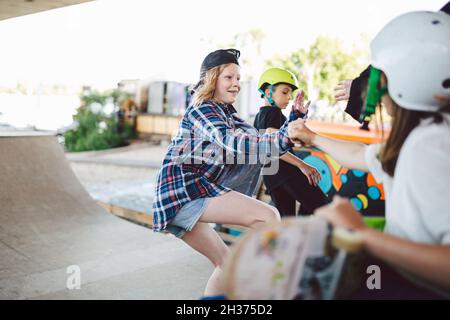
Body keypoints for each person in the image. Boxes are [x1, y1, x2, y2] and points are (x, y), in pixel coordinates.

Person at [290, 11, 450, 298]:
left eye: (378, 75)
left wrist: (363, 234)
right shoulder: (425, 134)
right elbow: (359, 155)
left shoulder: (429, 145)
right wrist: (312, 136)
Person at [152, 49, 306, 296]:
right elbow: (233, 142)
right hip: (184, 192)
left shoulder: (226, 114)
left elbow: (259, 140)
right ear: (212, 79)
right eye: (229, 78)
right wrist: (287, 135)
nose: (236, 85)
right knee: (269, 216)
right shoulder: (203, 110)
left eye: (238, 79)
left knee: (227, 264)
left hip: (182, 196)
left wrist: (294, 120)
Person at [253, 68, 329, 216]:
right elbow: (273, 147)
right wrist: (303, 165)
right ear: (268, 92)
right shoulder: (273, 113)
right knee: (322, 207)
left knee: (287, 220)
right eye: (284, 92)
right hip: (286, 172)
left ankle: (298, 237)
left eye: (290, 94)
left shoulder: (259, 116)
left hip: (271, 176)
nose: (289, 97)